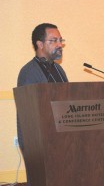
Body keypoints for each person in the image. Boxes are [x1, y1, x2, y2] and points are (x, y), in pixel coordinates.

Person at [16, 23, 68, 185]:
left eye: (61, 40)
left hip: (62, 140)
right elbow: (30, 114)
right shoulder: (29, 72)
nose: (60, 45)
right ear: (40, 44)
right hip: (39, 145)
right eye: (54, 40)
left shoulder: (59, 70)